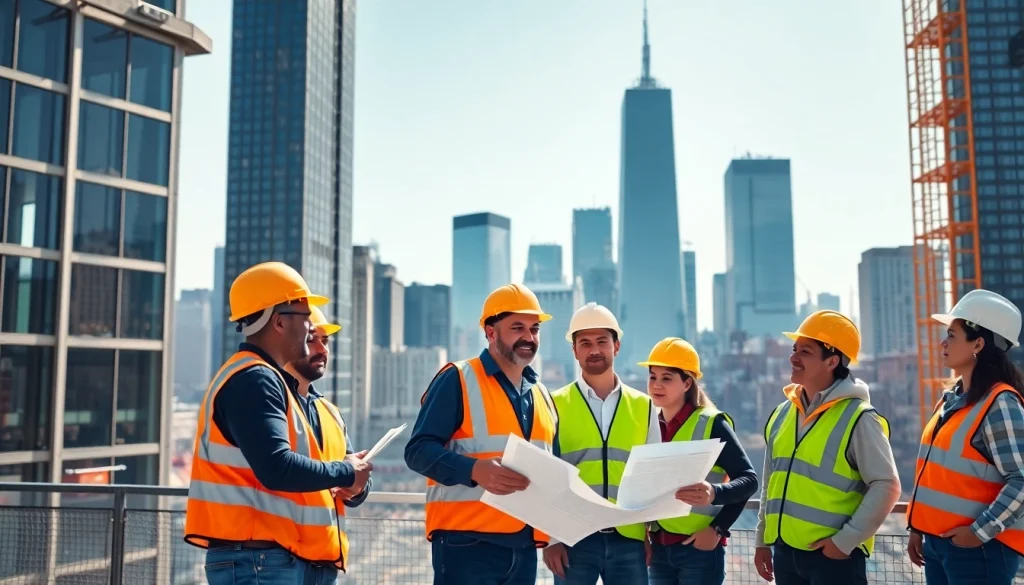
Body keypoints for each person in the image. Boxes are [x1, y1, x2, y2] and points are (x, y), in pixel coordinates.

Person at [184, 262, 373, 585]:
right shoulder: (254, 380)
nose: (310, 326)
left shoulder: (278, 386)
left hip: (295, 561)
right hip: (259, 561)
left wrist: (354, 481)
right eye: (305, 318)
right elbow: (276, 467)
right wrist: (346, 471)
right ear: (280, 322)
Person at [405, 283, 560, 585]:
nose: (528, 337)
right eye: (517, 328)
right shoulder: (458, 378)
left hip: (525, 547)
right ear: (491, 332)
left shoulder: (542, 395)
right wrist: (475, 470)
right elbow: (418, 451)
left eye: (534, 329)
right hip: (467, 546)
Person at [752, 310, 901, 585]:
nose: (793, 358)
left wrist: (844, 542)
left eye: (805, 351)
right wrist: (763, 538)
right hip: (785, 553)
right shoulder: (783, 414)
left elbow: (887, 485)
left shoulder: (859, 417)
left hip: (833, 561)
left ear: (832, 360)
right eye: (794, 349)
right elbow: (770, 483)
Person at [906, 289, 1024, 584]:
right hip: (939, 545)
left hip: (979, 551)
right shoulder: (951, 400)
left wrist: (977, 533)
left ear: (979, 344)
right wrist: (919, 527)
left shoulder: (1000, 404)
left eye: (952, 335)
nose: (943, 343)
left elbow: (1021, 479)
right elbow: (938, 474)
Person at [543, 303, 660, 585]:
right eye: (585, 343)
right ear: (575, 350)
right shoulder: (554, 404)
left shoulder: (643, 406)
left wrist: (649, 534)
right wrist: (551, 539)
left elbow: (653, 475)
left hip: (628, 540)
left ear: (616, 346)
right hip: (573, 539)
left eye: (601, 342)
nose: (594, 350)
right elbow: (546, 474)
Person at [639, 337, 758, 585]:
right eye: (653, 377)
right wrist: (644, 536)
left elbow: (748, 481)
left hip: (699, 551)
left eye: (667, 378)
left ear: (687, 383)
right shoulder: (648, 425)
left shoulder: (712, 423)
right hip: (659, 551)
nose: (657, 385)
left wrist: (717, 527)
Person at [282, 304, 374, 584]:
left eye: (326, 341)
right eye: (312, 339)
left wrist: (357, 484)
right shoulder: (271, 400)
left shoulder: (330, 412)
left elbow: (351, 480)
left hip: (324, 559)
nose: (322, 349)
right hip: (278, 556)